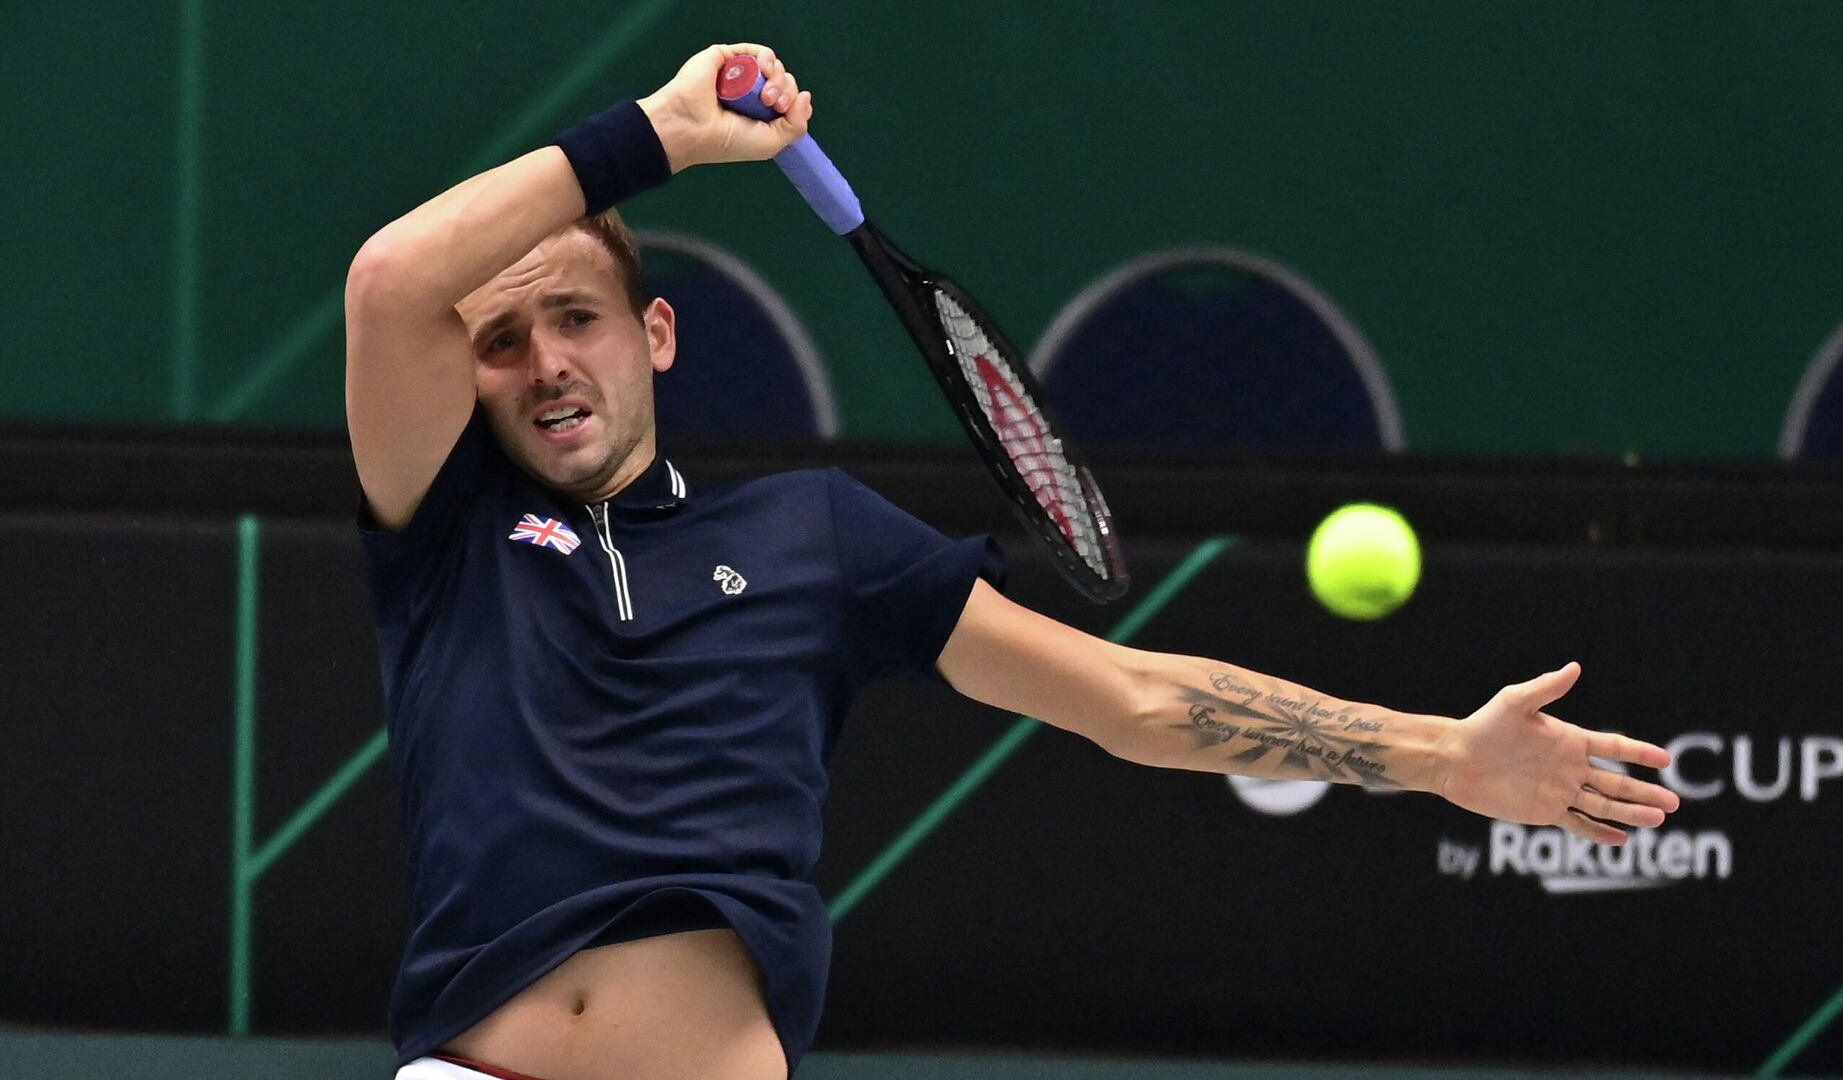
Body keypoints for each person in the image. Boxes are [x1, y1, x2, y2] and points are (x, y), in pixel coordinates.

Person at [346, 43, 1681, 1080]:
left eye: (575, 319)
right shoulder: (440, 526)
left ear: (658, 335)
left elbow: (1137, 702)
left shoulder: (816, 537)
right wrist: (663, 137)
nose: (545, 363)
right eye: (504, 340)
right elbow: (391, 282)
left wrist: (1442, 756)